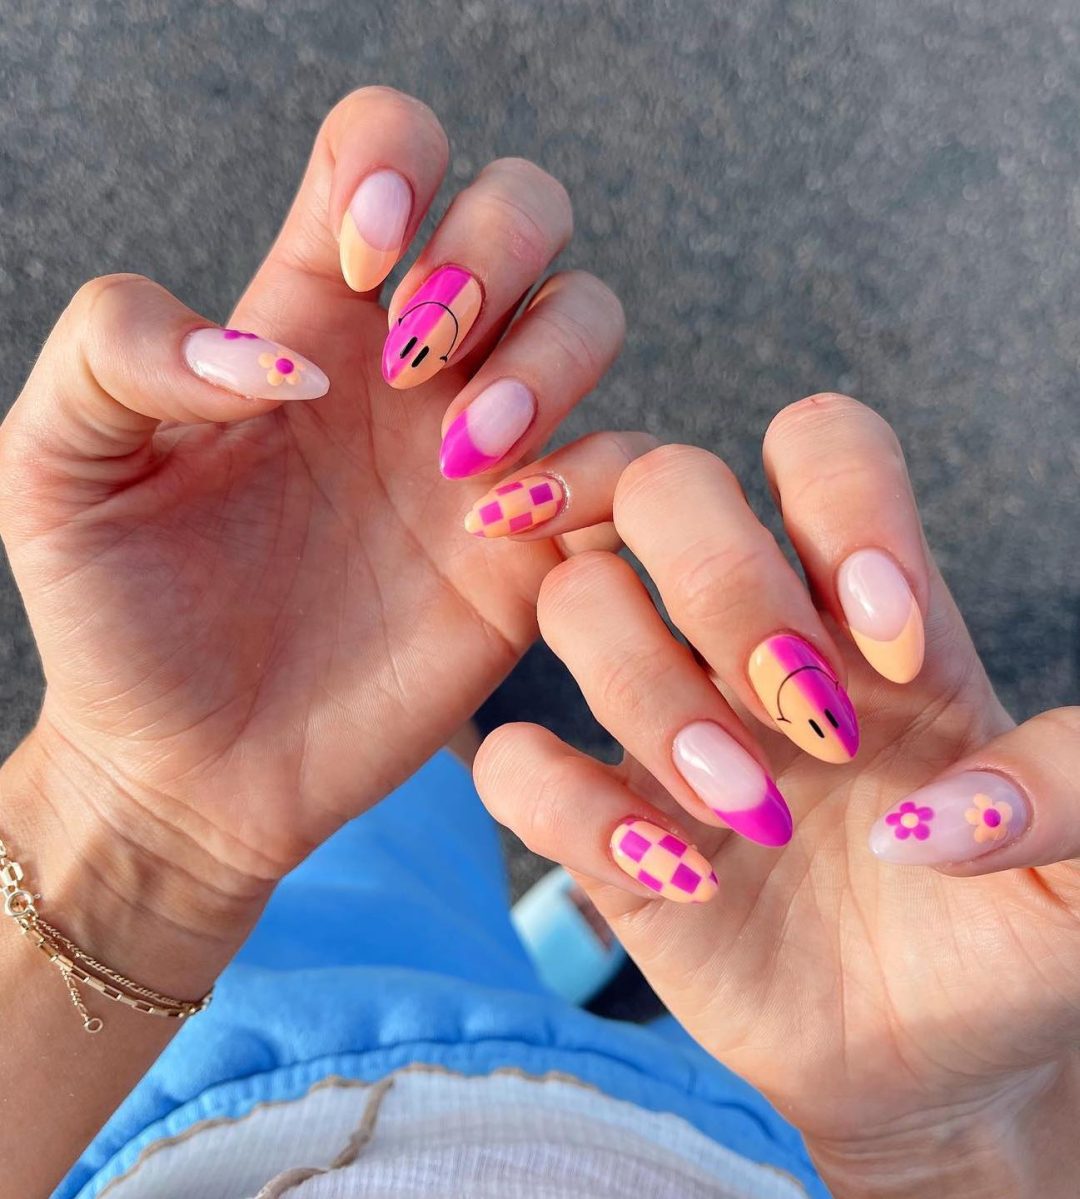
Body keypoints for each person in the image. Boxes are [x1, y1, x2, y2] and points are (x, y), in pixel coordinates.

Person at [1, 87, 1076, 1199]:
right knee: (457, 816)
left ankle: (537, 950)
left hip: (178, 1062)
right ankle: (547, 956)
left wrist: (136, 825)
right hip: (716, 1133)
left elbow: (169, 836)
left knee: (400, 798)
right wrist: (939, 1145)